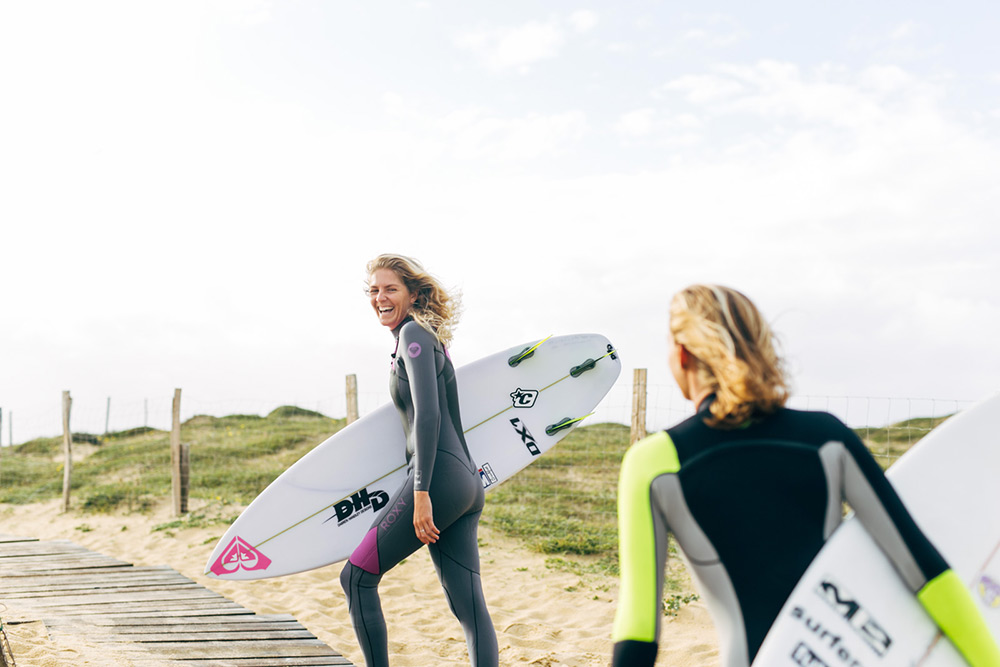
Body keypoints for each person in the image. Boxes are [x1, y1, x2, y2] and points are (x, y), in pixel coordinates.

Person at [612, 284, 1000, 667]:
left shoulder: (653, 463)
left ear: (681, 355)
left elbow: (640, 631)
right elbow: (924, 569)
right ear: (759, 347)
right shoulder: (826, 439)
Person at [339, 254, 499, 667]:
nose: (380, 297)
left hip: (437, 482)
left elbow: (428, 414)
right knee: (468, 607)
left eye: (390, 289)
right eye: (374, 290)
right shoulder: (425, 337)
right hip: (462, 482)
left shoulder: (413, 334)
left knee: (356, 578)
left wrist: (422, 491)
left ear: (412, 293)